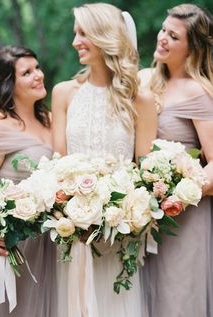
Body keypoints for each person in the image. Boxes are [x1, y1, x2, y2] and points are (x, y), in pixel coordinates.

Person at [51, 3, 157, 317]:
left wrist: (119, 215)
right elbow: (56, 165)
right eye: (74, 33)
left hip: (119, 233)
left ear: (104, 36)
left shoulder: (140, 99)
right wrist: (70, 212)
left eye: (83, 33)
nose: (75, 42)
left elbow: (145, 173)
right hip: (72, 232)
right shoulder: (63, 93)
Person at [139, 4, 213, 317]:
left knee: (178, 299)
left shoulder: (197, 92)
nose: (163, 39)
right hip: (143, 216)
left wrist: (179, 195)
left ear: (192, 47)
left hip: (185, 217)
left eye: (174, 36)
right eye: (163, 30)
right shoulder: (145, 82)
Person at [0, 45, 57, 317]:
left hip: (52, 240)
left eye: (37, 68)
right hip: (12, 244)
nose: (39, 75)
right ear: (8, 83)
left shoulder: (50, 119)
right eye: (27, 72)